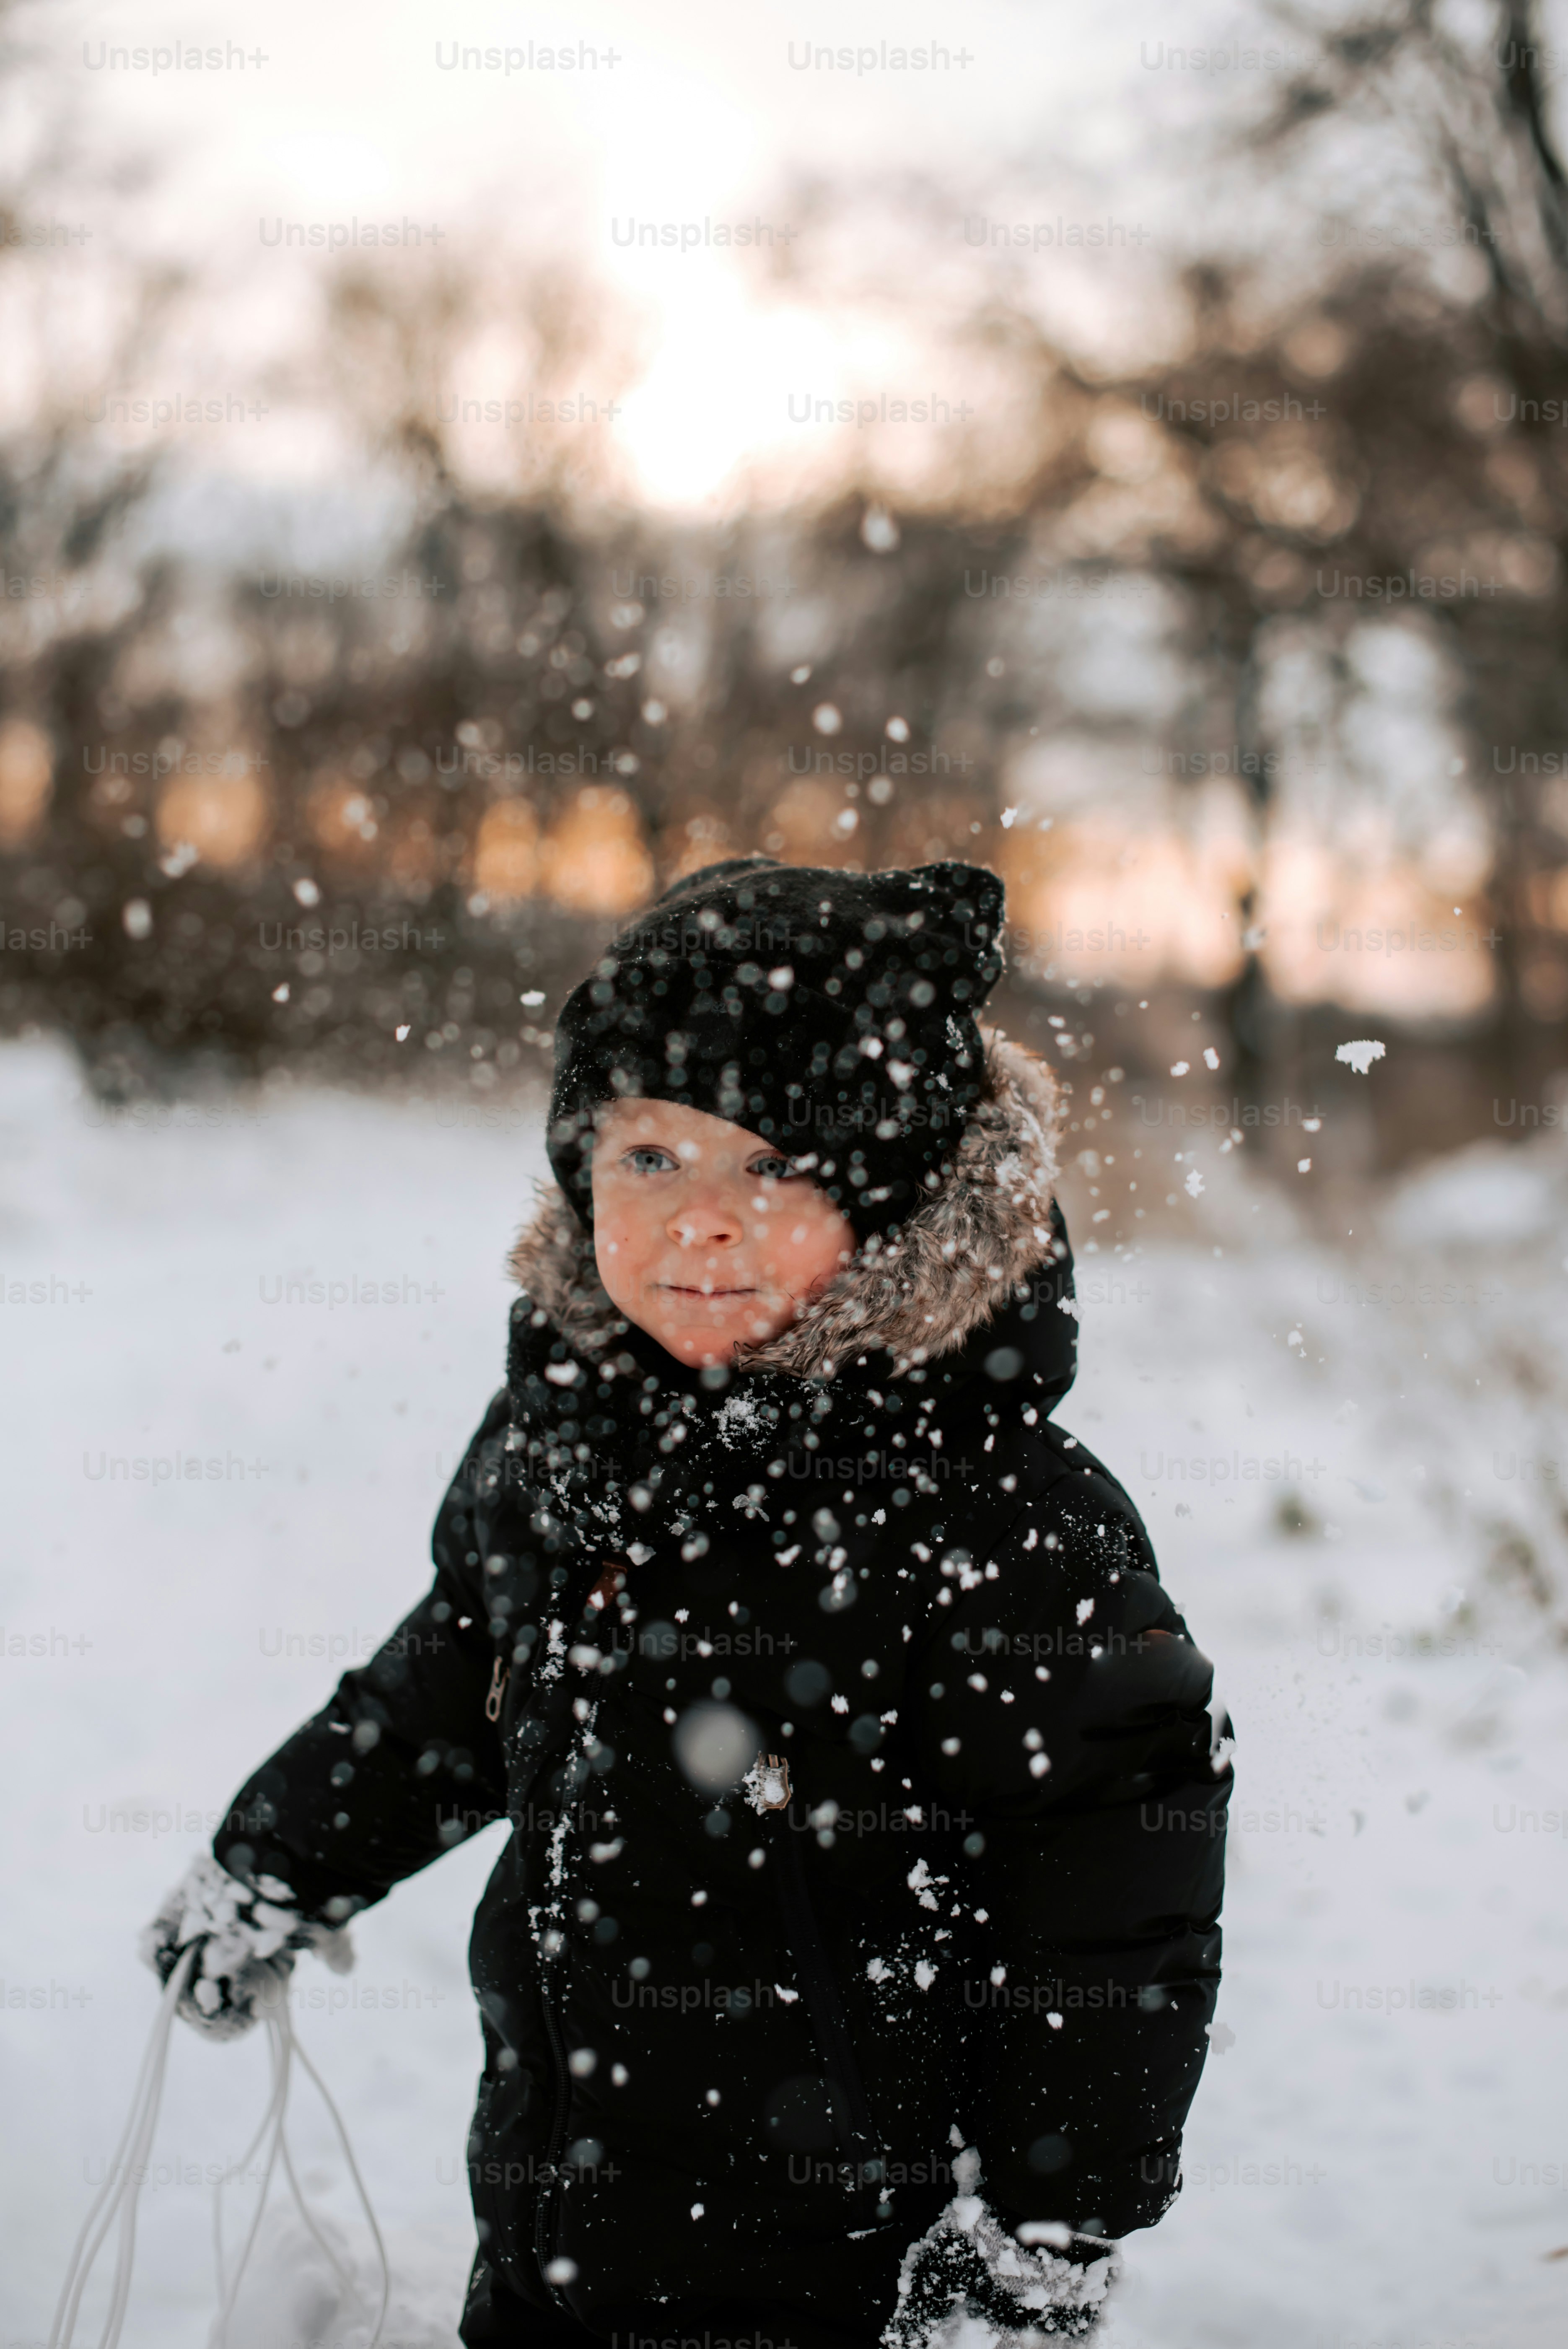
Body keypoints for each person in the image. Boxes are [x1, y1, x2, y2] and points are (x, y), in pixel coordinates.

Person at [143, 856, 1231, 2349]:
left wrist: (1035, 2245)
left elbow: (1113, 1914)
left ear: (901, 1201)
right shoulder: (566, 1441)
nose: (697, 1223)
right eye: (648, 1158)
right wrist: (278, 1857)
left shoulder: (1007, 1526)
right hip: (559, 2208)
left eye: (772, 1167)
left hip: (857, 2265)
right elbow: (454, 1677)